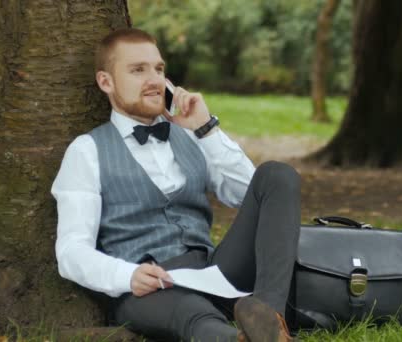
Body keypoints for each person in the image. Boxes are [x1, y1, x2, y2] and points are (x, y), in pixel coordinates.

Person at [51, 28, 300, 342]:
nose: (154, 80)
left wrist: (206, 129)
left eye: (158, 69)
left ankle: (270, 317)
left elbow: (250, 194)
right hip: (150, 287)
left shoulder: (189, 135)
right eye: (138, 70)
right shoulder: (86, 151)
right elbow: (71, 251)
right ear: (106, 82)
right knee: (193, 315)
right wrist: (127, 276)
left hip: (214, 270)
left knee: (277, 174)